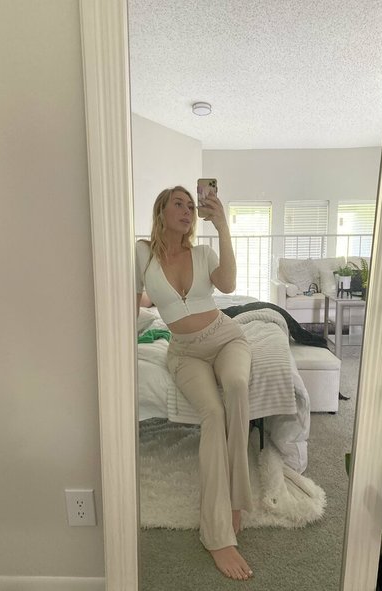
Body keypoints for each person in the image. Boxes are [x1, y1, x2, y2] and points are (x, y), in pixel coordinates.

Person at [135, 185, 254, 581]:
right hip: (185, 353)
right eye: (179, 204)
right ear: (161, 211)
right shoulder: (142, 254)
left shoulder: (203, 253)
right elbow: (132, 301)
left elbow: (229, 285)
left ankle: (235, 499)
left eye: (191, 205)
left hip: (226, 338)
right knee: (212, 414)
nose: (187, 210)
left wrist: (222, 226)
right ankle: (216, 535)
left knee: (236, 386)